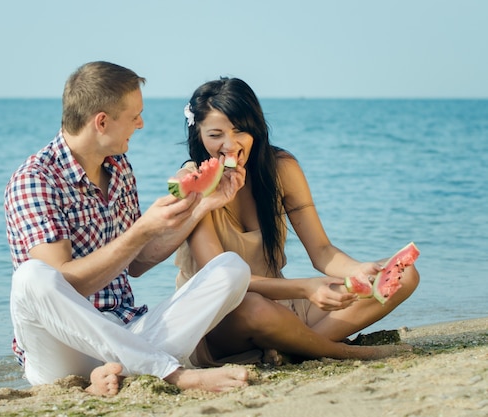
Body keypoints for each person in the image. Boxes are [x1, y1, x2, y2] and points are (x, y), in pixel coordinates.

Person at [4, 62, 252, 396]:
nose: (141, 123)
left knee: (232, 269)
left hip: (128, 332)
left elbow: (136, 263)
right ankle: (172, 373)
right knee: (31, 277)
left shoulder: (118, 167)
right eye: (134, 116)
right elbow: (62, 286)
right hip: (63, 351)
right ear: (102, 122)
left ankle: (121, 373)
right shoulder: (35, 180)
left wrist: (204, 206)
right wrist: (141, 230)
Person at [174, 77, 420, 367]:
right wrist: (306, 288)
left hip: (283, 304)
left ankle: (294, 349)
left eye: (240, 130)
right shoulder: (190, 183)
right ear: (198, 134)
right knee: (253, 308)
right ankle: (343, 352)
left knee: (404, 275)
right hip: (220, 318)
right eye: (215, 134)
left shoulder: (281, 168)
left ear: (256, 128)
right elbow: (222, 281)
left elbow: (322, 251)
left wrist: (358, 271)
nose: (230, 144)